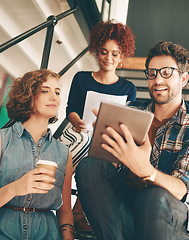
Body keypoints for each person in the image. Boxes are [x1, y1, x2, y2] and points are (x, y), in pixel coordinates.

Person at [75, 41, 189, 240]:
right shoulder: (133, 112)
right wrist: (106, 138)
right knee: (90, 165)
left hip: (174, 219)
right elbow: (111, 168)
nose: (157, 79)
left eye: (166, 72)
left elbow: (182, 188)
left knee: (154, 196)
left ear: (183, 78)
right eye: (152, 73)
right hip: (132, 211)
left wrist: (145, 170)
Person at [0, 69, 75, 240]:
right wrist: (15, 188)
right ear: (28, 96)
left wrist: (68, 236)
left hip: (46, 234)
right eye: (45, 91)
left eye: (57, 92)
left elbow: (65, 211)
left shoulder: (64, 153)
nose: (54, 97)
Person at [58, 20, 137, 232]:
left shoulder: (128, 88)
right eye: (103, 52)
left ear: (121, 57)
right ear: (96, 51)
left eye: (114, 54)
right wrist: (76, 120)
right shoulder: (82, 79)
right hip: (78, 132)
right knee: (82, 143)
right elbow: (71, 108)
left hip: (106, 139)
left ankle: (78, 211)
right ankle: (68, 212)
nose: (108, 58)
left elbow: (126, 123)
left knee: (104, 154)